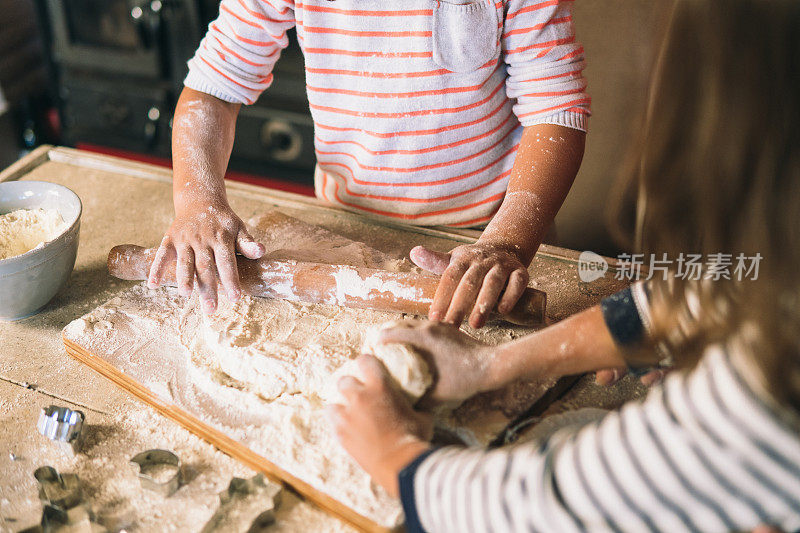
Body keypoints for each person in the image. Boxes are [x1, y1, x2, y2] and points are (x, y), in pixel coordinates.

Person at [328, 0, 800, 530]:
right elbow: (718, 289)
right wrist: (496, 366)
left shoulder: (771, 399)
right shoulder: (782, 268)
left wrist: (395, 457)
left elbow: (552, 505)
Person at [147, 0, 590, 326]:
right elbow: (213, 89)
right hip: (344, 232)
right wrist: (196, 199)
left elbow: (557, 112)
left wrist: (508, 242)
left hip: (489, 235)